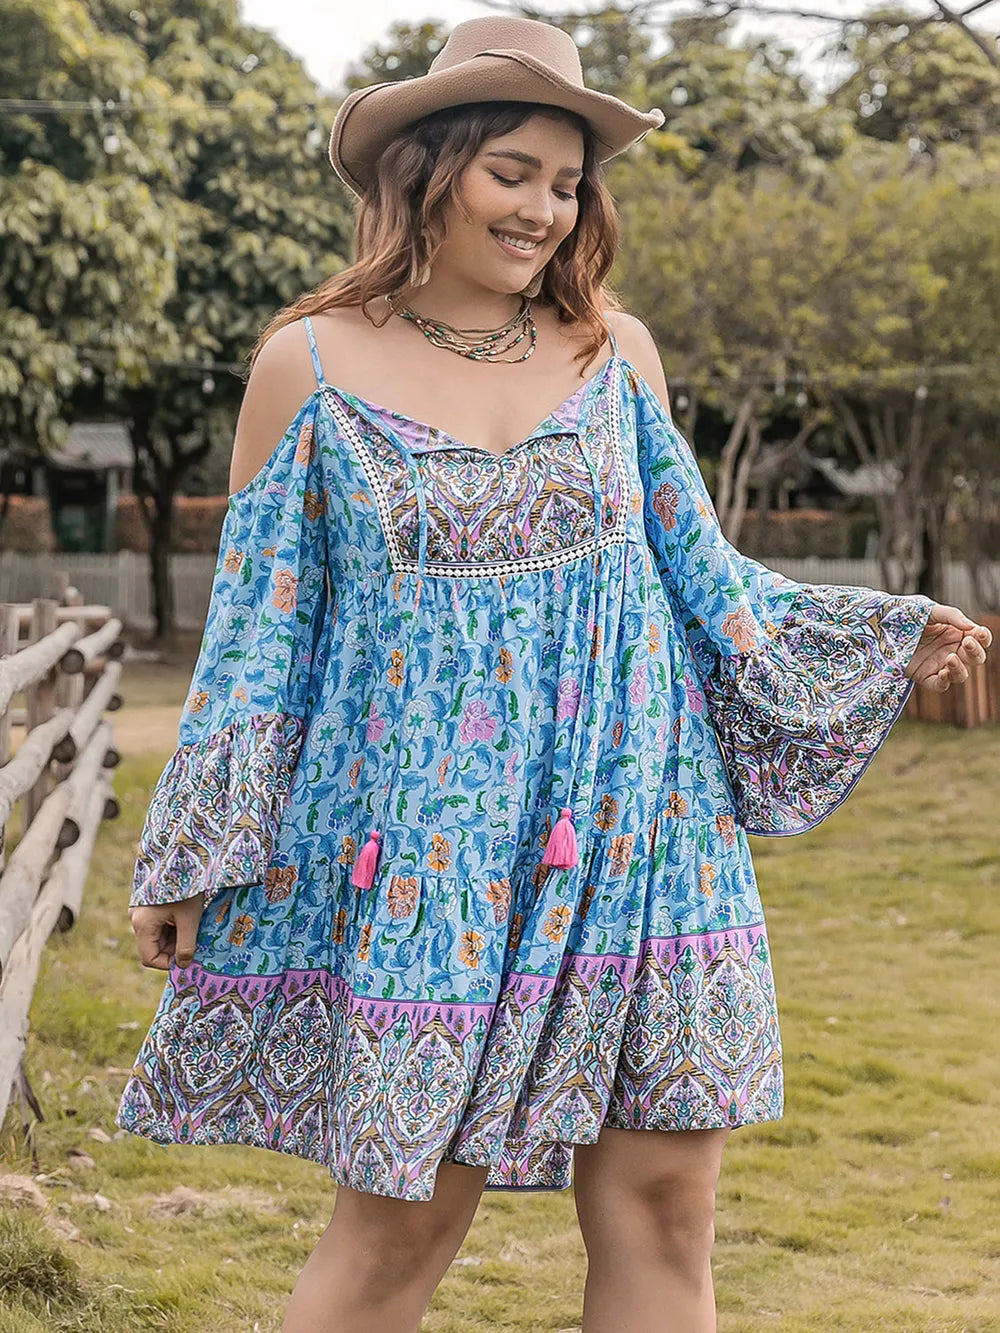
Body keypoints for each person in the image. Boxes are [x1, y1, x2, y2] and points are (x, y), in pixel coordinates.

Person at [116, 16, 992, 1333]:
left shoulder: (613, 352)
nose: (543, 208)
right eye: (511, 171)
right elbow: (256, 640)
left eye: (568, 183)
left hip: (649, 838)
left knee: (665, 1204)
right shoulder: (310, 363)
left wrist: (879, 633)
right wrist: (193, 852)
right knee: (402, 1227)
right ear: (427, 169)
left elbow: (703, 577)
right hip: (438, 855)